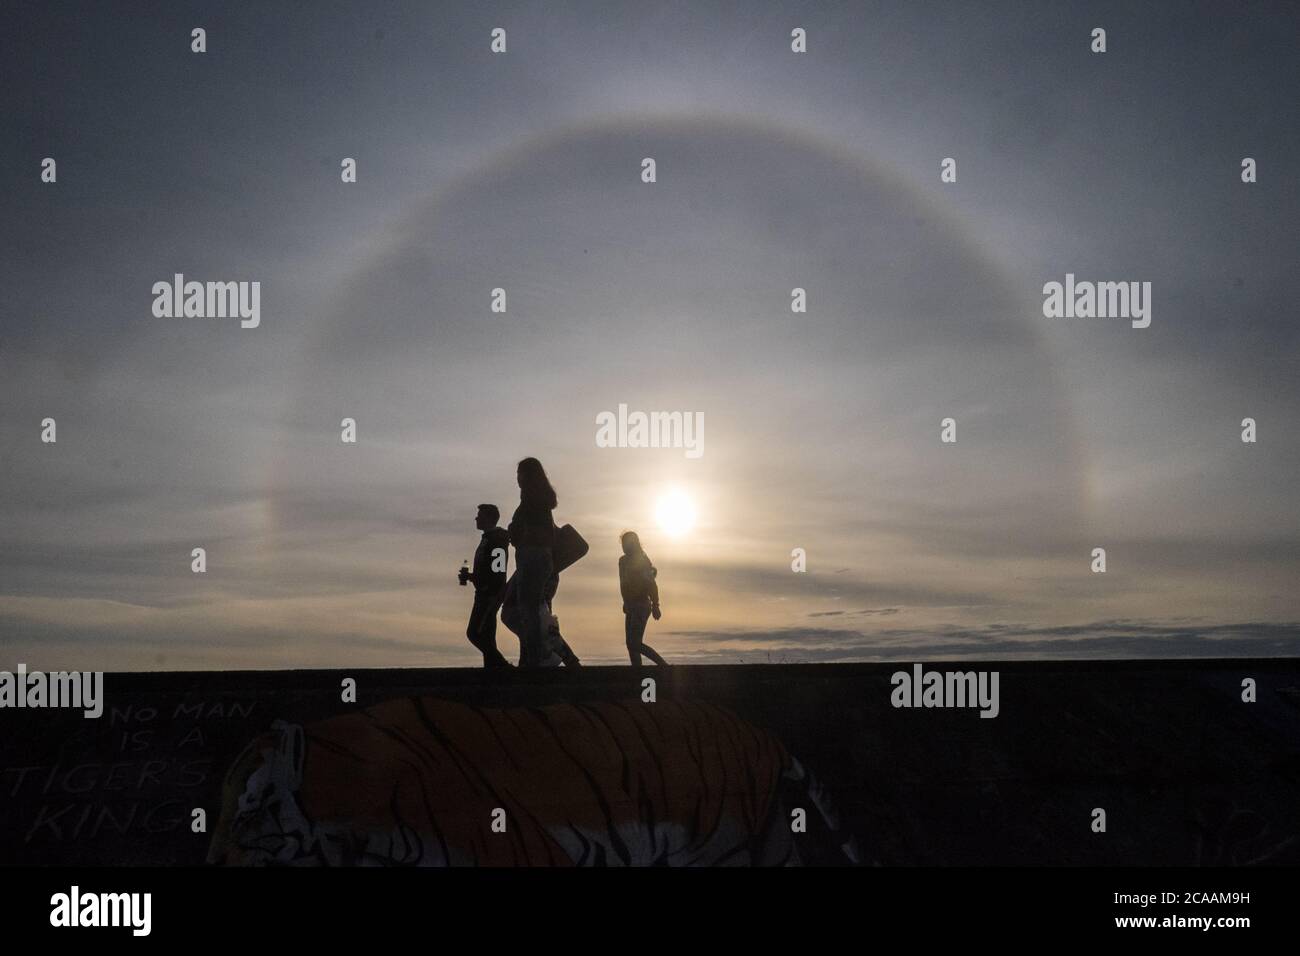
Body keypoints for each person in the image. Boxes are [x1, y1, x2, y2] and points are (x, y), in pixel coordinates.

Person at [507, 458, 560, 667]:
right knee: (532, 610)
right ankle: (534, 657)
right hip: (540, 558)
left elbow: (529, 530)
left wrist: (515, 530)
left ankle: (536, 659)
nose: (517, 478)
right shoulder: (542, 500)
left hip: (532, 557)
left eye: (519, 473)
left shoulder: (530, 498)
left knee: (528, 610)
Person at [460, 504, 511, 669]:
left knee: (474, 633)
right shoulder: (488, 539)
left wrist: (492, 592)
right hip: (483, 593)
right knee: (487, 636)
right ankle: (492, 671)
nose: (476, 518)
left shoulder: (497, 540)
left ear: (488, 518)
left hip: (489, 595)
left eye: (479, 515)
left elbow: (499, 570)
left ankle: (502, 666)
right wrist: (472, 577)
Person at [619, 531, 668, 667]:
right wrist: (625, 602)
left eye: (627, 543)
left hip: (641, 605)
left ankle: (663, 665)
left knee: (634, 643)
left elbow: (651, 584)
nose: (624, 546)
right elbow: (623, 583)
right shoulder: (622, 561)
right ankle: (637, 671)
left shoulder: (642, 560)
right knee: (631, 644)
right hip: (630, 606)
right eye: (622, 544)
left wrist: (656, 605)